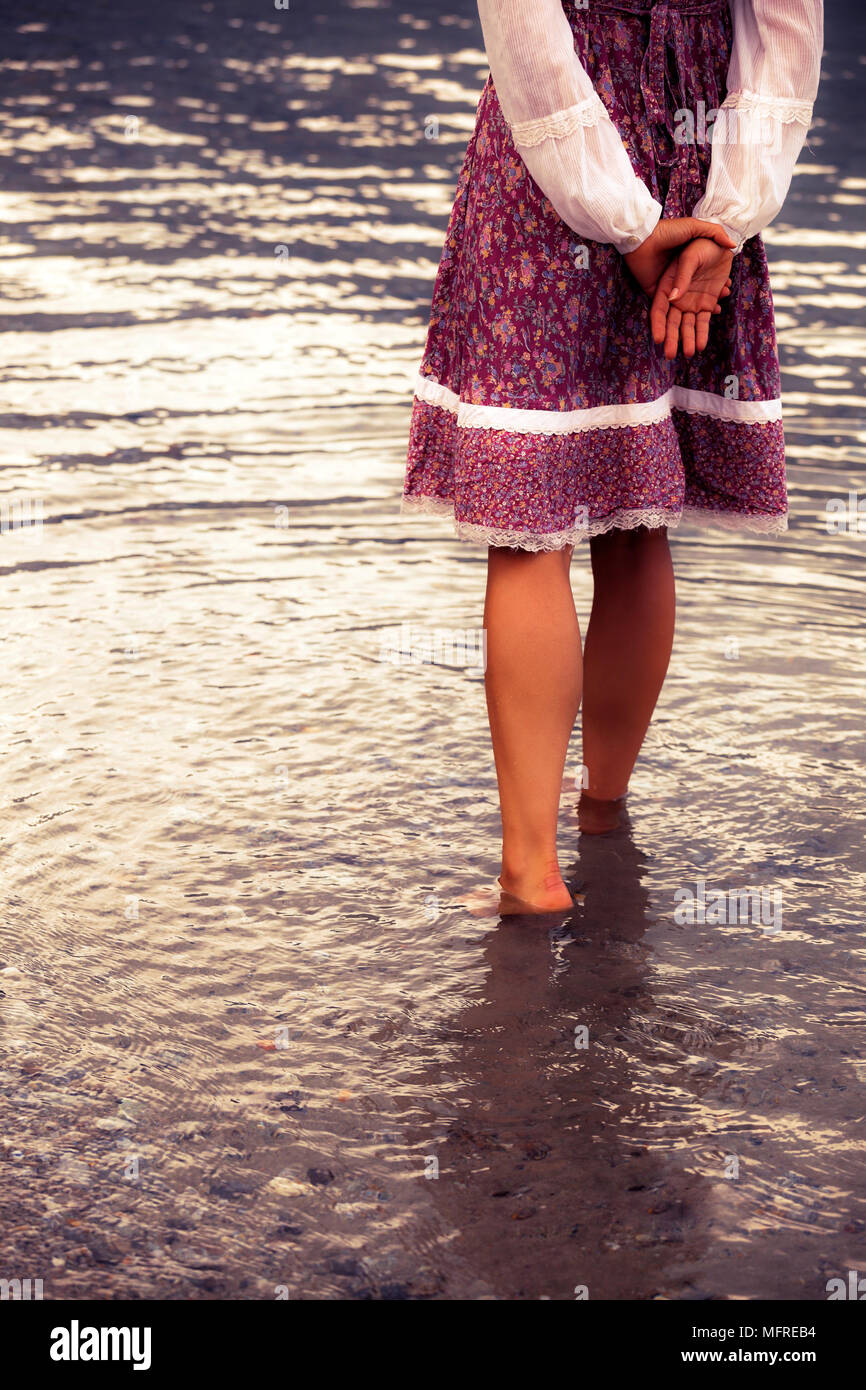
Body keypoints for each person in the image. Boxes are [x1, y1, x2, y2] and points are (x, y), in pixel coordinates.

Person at [401, 0, 824, 911]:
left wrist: (622, 224)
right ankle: (602, 810)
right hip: (700, 157)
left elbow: (531, 41)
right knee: (636, 522)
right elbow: (786, 32)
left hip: (562, 165)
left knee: (530, 527)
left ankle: (529, 871)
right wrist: (725, 221)